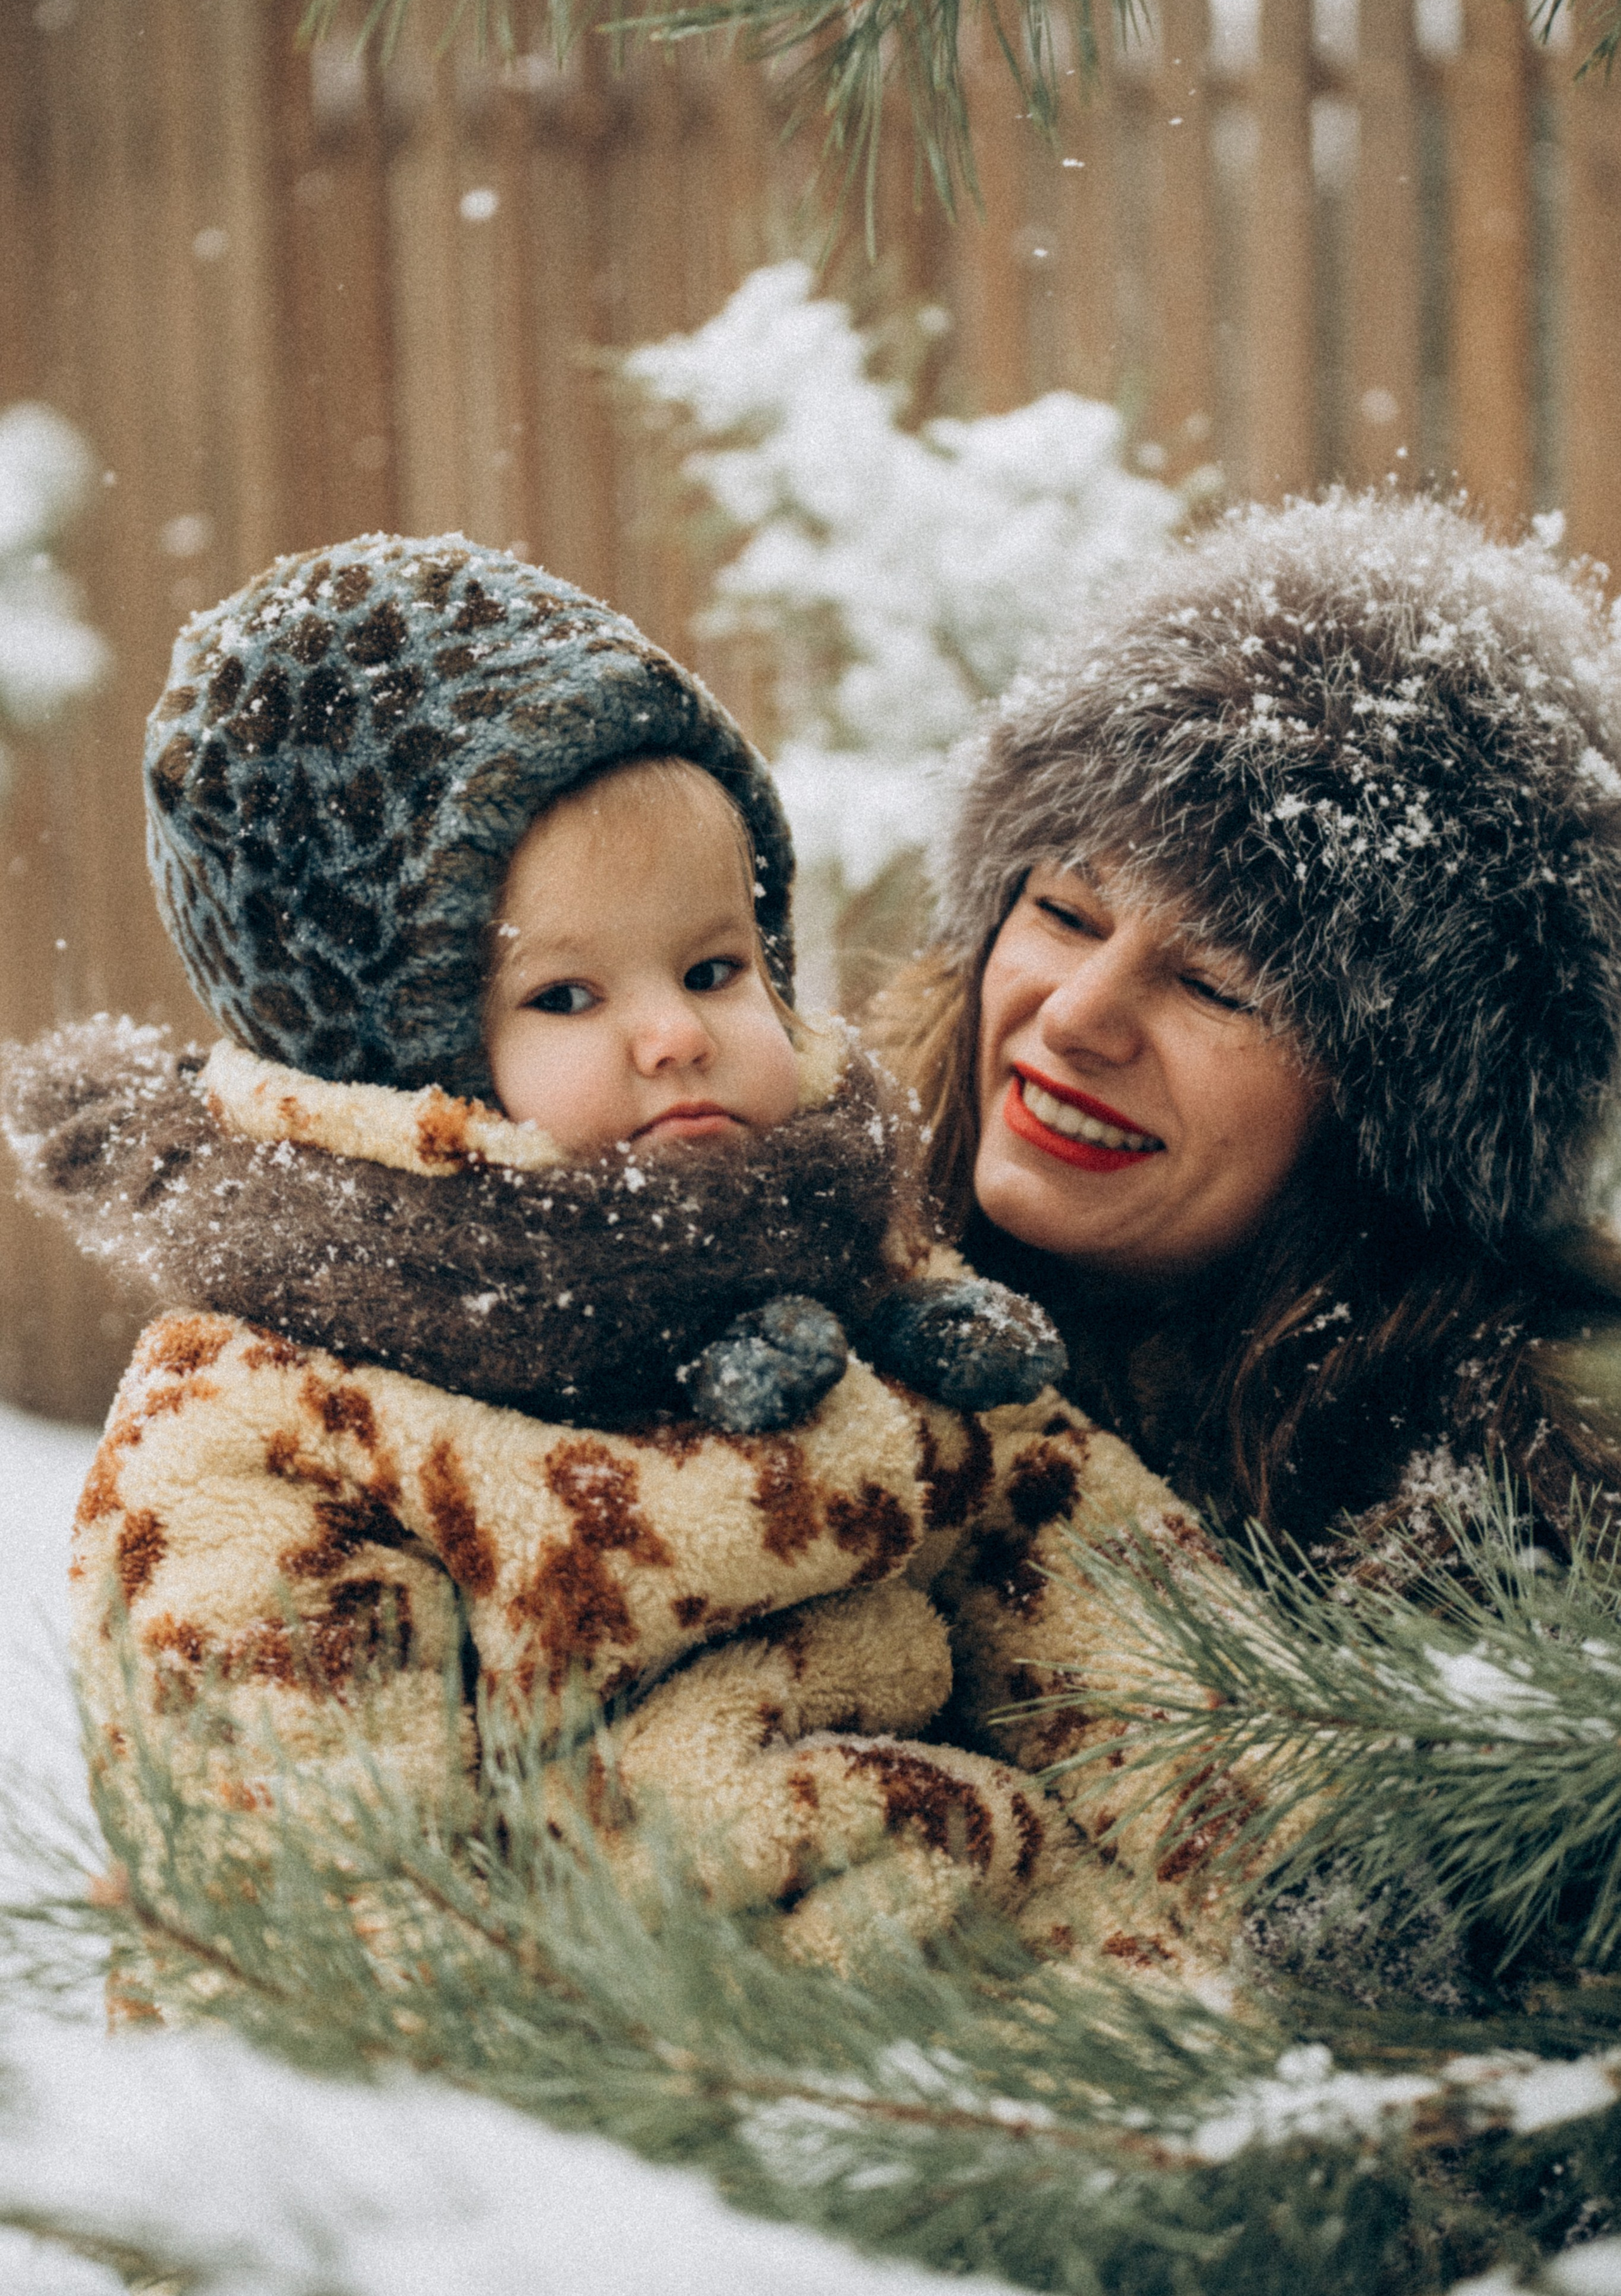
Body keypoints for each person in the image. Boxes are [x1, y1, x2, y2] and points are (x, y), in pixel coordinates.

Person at [9, 532, 1231, 2003]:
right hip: (642, 2051)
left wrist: (1314, 1871)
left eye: (715, 968)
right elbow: (311, 1911)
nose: (673, 1033)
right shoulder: (269, 1418)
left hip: (1015, 1963)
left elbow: (1131, 1643)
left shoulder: (872, 1295)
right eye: (568, 994)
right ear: (407, 1064)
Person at [871, 488, 1621, 1582]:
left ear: (1393, 1123)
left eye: (1218, 988)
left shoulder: (1529, 1515)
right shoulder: (778, 1244)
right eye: (1066, 914)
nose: (1076, 1017)